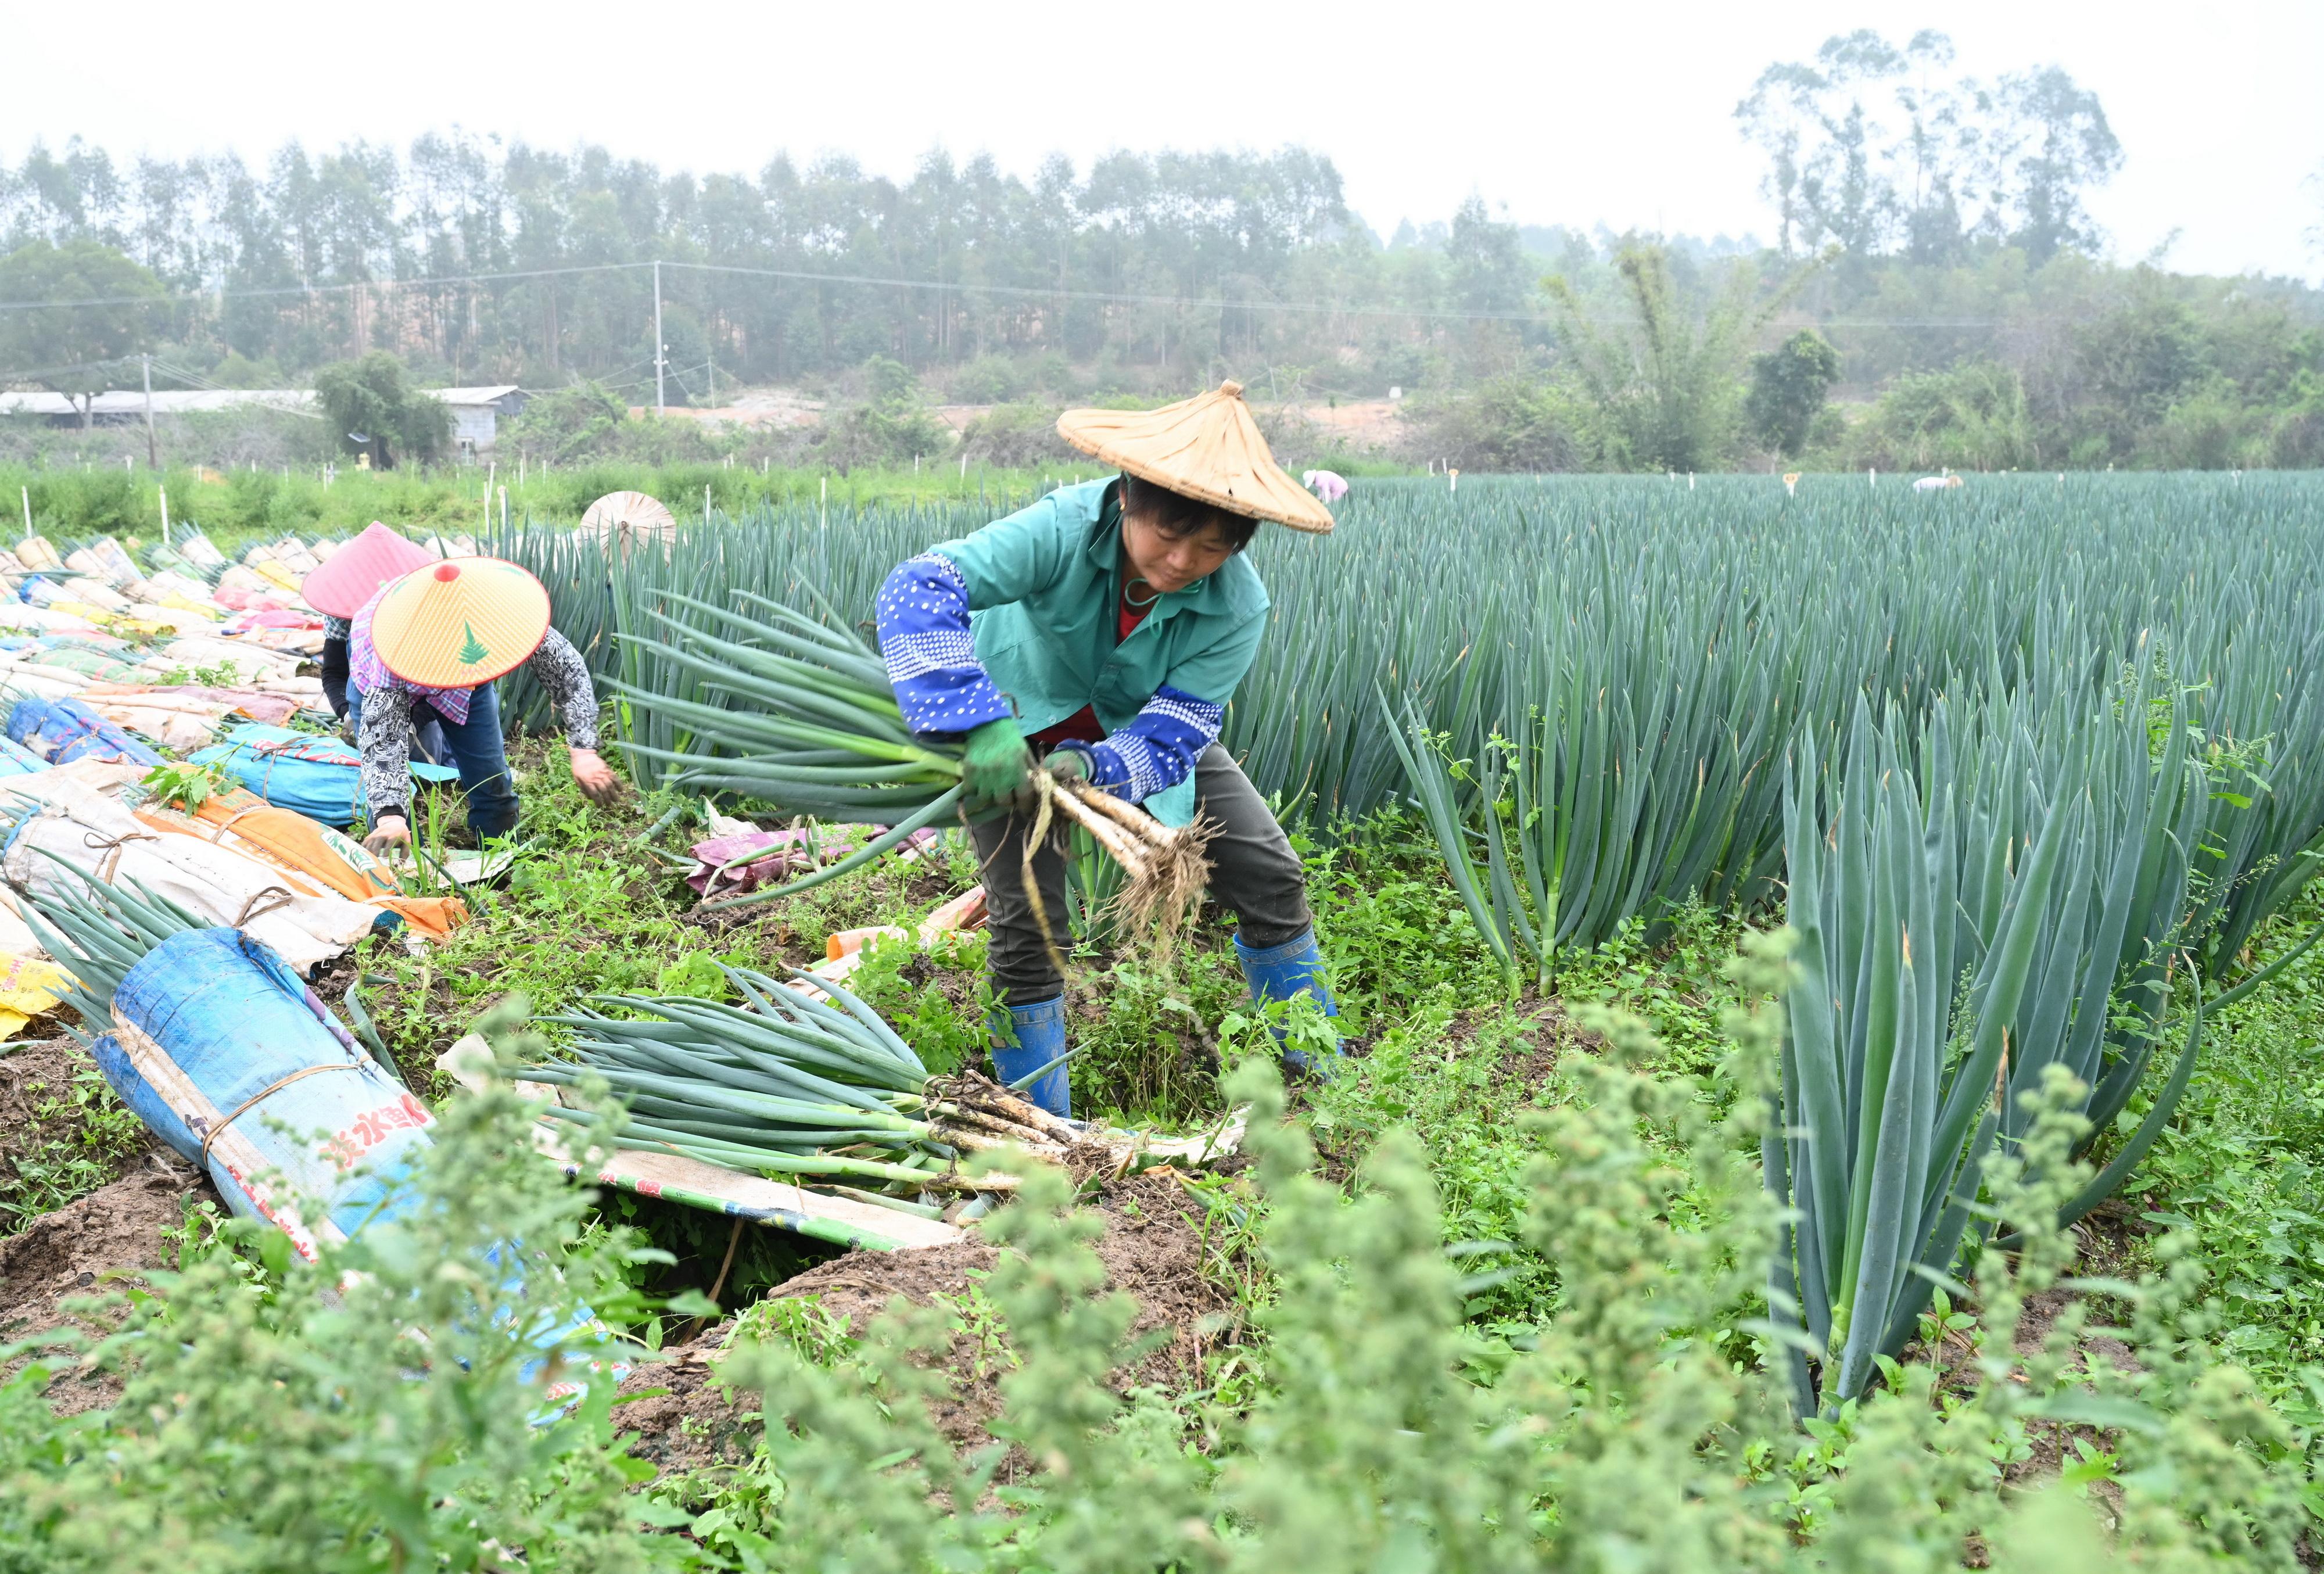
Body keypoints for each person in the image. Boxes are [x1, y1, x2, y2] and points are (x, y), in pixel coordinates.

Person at [874, 380, 1339, 1117]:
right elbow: (918, 585)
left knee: (1269, 872)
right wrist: (977, 719)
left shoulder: (1238, 605)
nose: (1184, 560)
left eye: (1212, 545)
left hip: (1131, 731)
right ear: (1127, 496)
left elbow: (1181, 724)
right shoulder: (1061, 528)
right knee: (1029, 926)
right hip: (1008, 732)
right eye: (1168, 534)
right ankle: (1041, 1127)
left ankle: (1324, 1085)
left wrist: (1100, 767)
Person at [343, 557, 619, 856]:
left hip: (468, 688)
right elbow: (383, 741)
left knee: (491, 779)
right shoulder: (393, 649)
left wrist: (584, 750)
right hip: (385, 677)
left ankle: (499, 861)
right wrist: (391, 816)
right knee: (391, 818)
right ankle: (407, 880)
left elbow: (567, 672)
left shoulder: (505, 615)